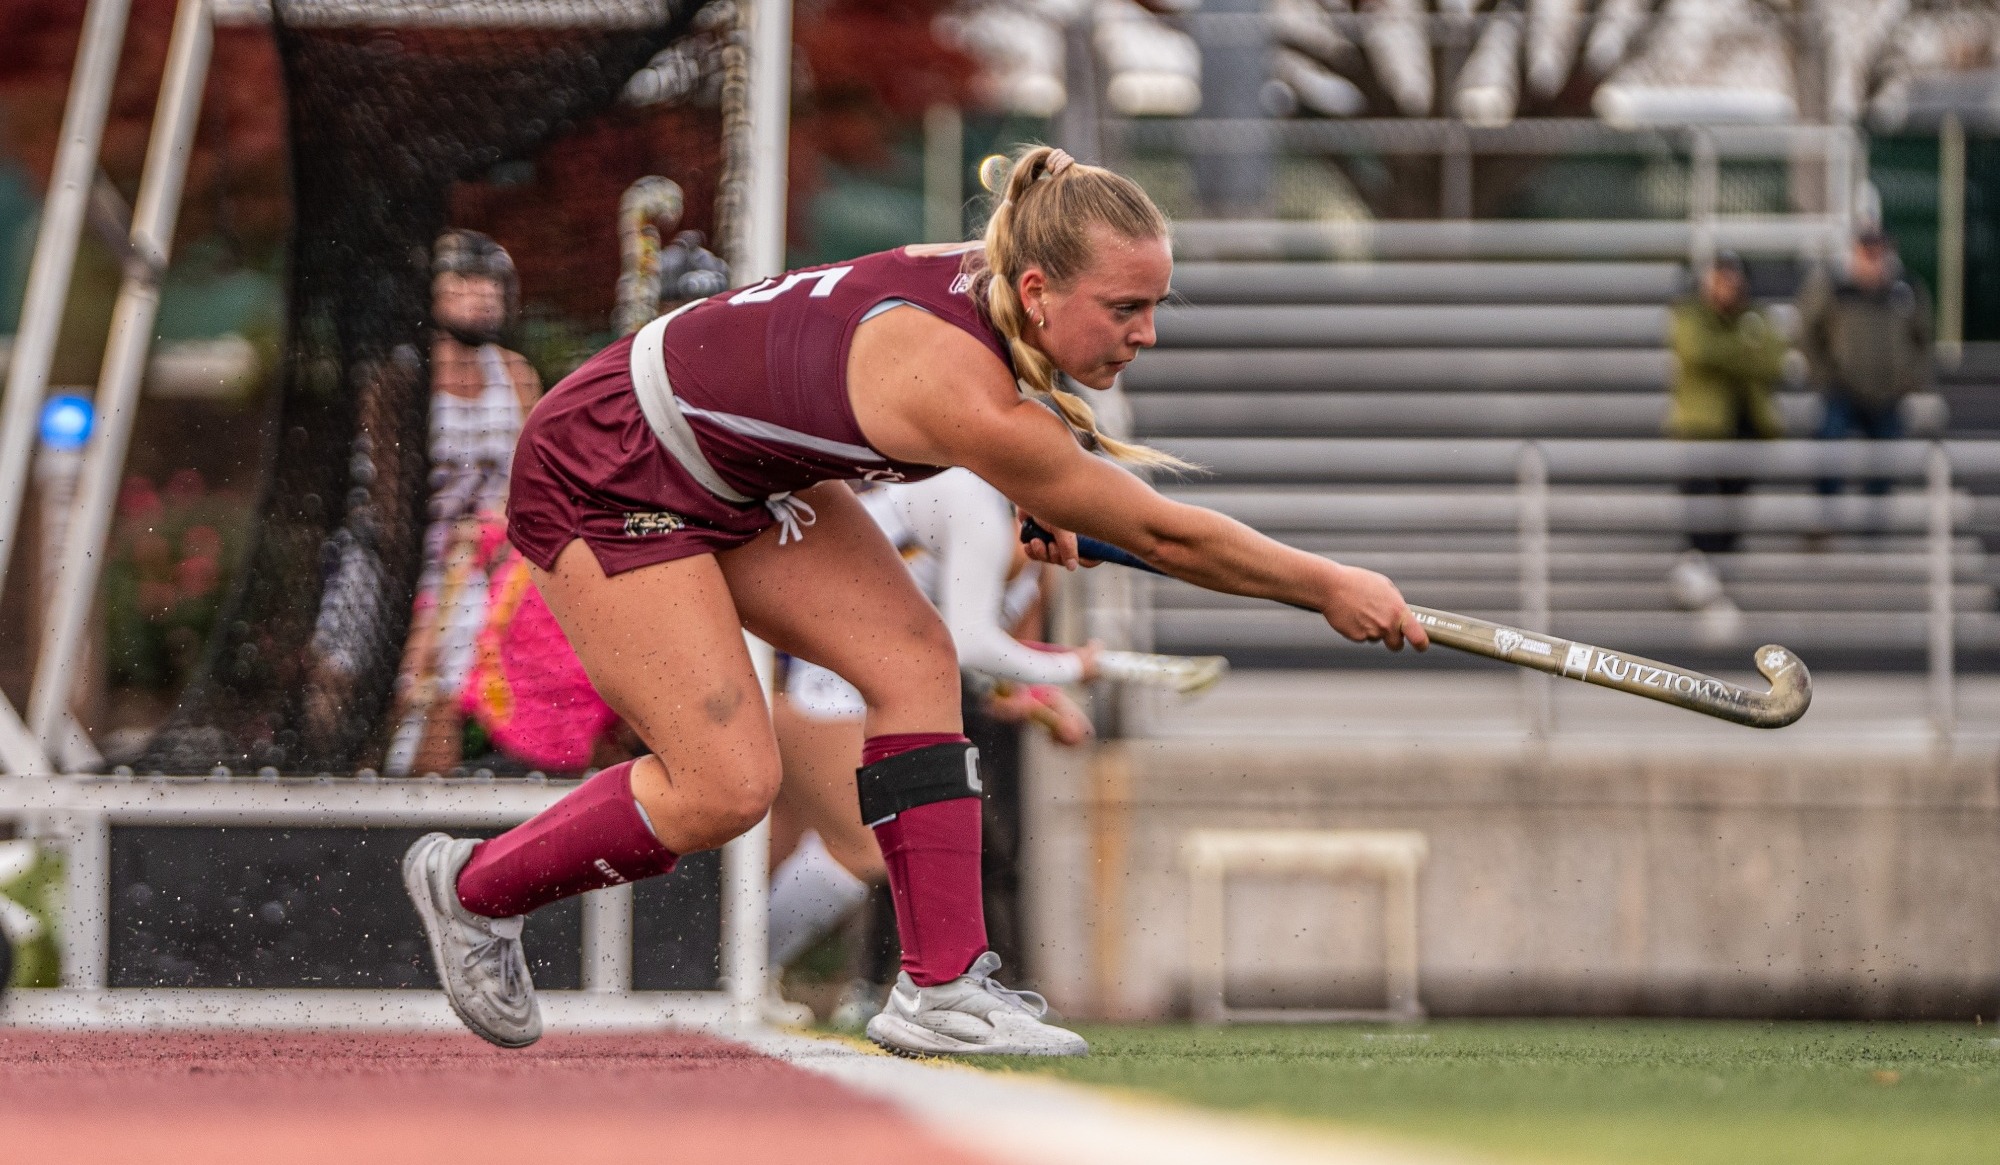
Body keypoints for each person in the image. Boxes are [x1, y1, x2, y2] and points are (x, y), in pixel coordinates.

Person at [399, 145, 1425, 1058]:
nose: (1145, 333)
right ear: (1037, 287)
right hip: (610, 464)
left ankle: (939, 987)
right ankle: (472, 886)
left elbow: (966, 418)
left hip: (740, 472)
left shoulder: (992, 291)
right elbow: (1155, 527)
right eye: (1125, 309)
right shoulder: (957, 382)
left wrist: (1039, 487)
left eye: (1154, 306)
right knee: (726, 786)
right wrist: (1328, 583)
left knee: (914, 662)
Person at [764, 469, 1225, 1027]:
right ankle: (747, 973)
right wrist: (1083, 665)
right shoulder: (982, 516)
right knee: (860, 849)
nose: (1093, 549)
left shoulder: (1040, 565)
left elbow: (995, 673)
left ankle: (749, 975)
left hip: (881, 677)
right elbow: (972, 647)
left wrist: (1044, 703)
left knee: (816, 845)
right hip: (820, 667)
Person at [385, 231, 544, 776]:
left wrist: (498, 524)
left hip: (476, 564)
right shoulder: (404, 379)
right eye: (465, 282)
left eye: (491, 284)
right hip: (397, 560)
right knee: (389, 688)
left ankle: (427, 815)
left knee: (445, 699)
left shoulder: (516, 376)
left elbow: (533, 477)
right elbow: (382, 491)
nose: (482, 295)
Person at [1665, 251, 1786, 618]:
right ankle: (1700, 585)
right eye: (1719, 278)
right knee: (1702, 513)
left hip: (1746, 429)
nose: (1725, 286)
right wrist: (1743, 350)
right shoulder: (1691, 315)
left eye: (1731, 278)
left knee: (1732, 514)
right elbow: (1698, 351)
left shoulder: (1757, 317)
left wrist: (1735, 353)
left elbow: (1774, 360)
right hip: (1701, 430)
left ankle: (1712, 583)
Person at [1800, 227, 1933, 497]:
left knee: (1884, 463)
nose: (1873, 259)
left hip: (1888, 393)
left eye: (1879, 252)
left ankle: (1874, 527)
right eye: (1866, 251)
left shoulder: (1906, 290)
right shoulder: (1835, 289)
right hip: (1842, 390)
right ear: (1855, 253)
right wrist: (1823, 376)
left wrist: (1911, 379)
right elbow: (1807, 332)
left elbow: (1925, 338)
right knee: (1829, 448)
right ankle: (1826, 519)